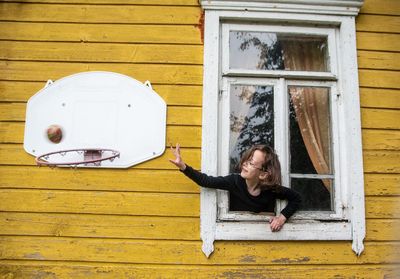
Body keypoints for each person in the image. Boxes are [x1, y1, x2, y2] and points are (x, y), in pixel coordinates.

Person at [169, 143, 301, 232]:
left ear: (263, 174)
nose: (244, 164)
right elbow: (206, 181)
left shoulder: (270, 190)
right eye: (246, 160)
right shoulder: (234, 181)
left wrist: (282, 218)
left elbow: (296, 198)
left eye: (251, 163)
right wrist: (183, 167)